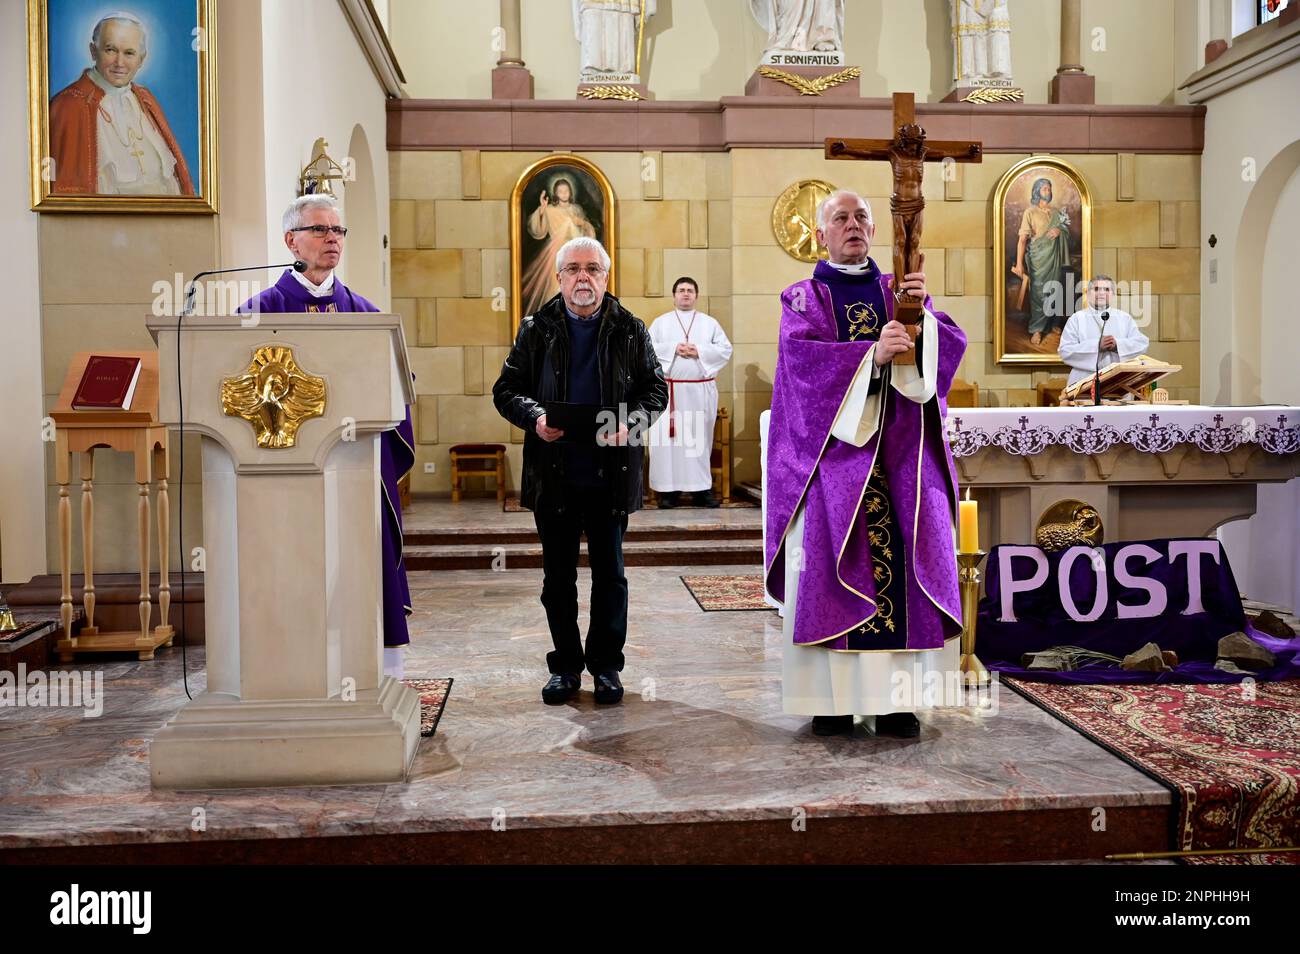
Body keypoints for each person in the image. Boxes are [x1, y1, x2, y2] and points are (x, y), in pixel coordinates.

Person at [765, 190, 966, 738]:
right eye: (840, 218)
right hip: (835, 462)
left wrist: (921, 319)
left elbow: (938, 366)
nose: (852, 226)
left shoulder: (899, 291)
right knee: (834, 571)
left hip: (901, 461)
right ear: (821, 233)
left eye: (861, 218)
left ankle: (895, 703)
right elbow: (802, 371)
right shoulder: (803, 298)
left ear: (874, 230)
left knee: (903, 568)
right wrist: (871, 355)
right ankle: (831, 704)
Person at [237, 195, 415, 678]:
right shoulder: (257, 313)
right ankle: (285, 669)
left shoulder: (367, 315)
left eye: (338, 230)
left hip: (356, 466)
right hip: (285, 471)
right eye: (320, 230)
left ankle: (375, 670)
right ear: (290, 240)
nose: (333, 238)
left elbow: (396, 391)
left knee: (362, 562)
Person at [492, 237, 667, 707]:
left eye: (592, 269)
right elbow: (506, 388)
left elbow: (656, 392)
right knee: (558, 578)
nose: (583, 277)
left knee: (610, 576)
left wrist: (630, 424)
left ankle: (607, 667)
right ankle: (566, 666)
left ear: (606, 277)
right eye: (573, 269)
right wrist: (535, 417)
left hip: (611, 472)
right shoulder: (537, 328)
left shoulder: (631, 328)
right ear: (559, 278)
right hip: (555, 474)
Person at [48, 12, 194, 196]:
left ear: (141, 59)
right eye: (110, 50)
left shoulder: (145, 99)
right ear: (94, 51)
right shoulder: (67, 105)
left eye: (129, 53)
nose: (119, 62)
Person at [647, 277, 733, 508]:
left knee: (698, 441)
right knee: (668, 442)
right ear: (674, 295)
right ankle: (668, 492)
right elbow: (646, 350)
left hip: (699, 392)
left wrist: (699, 351)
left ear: (696, 295)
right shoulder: (661, 323)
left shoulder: (709, 323)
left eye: (690, 290)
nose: (685, 294)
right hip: (669, 392)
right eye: (681, 290)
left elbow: (725, 349)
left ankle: (701, 491)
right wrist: (673, 348)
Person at [521, 175, 597, 318]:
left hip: (576, 253)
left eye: (566, 191)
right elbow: (539, 231)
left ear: (570, 192)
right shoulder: (550, 209)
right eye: (560, 191)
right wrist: (542, 210)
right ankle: (554, 321)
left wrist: (581, 223)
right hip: (556, 253)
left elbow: (586, 233)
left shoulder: (576, 209)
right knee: (556, 288)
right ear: (555, 193)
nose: (563, 194)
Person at [1058, 274, 1150, 389]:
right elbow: (1065, 351)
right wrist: (1096, 346)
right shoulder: (1077, 319)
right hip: (1083, 382)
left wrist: (1118, 345)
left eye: (1107, 289)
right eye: (1096, 289)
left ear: (1113, 294)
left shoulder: (1124, 318)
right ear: (1087, 293)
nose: (1101, 293)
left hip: (1118, 382)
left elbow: (1142, 344)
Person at [1011, 177, 1070, 347]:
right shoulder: (1030, 212)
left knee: (1055, 289)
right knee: (1038, 293)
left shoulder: (1057, 213)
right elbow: (1023, 239)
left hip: (1054, 257)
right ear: (1037, 191)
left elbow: (1066, 233)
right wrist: (1020, 263)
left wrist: (1060, 231)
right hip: (1037, 258)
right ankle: (1037, 329)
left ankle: (1051, 324)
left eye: (1049, 188)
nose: (1048, 191)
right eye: (1044, 188)